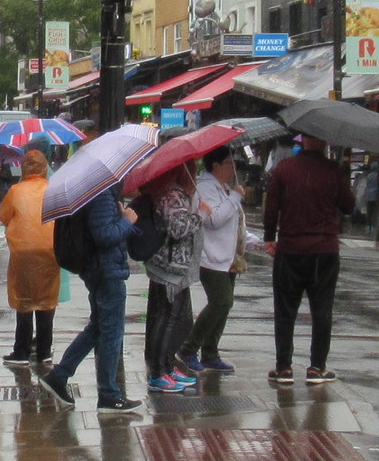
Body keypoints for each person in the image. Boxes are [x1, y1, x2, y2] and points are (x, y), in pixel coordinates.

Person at [262, 134, 354, 386]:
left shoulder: (284, 169)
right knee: (322, 311)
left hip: (290, 248)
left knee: (285, 311)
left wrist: (269, 237)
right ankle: (316, 368)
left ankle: (284, 368)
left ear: (303, 140)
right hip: (324, 250)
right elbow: (348, 206)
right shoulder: (333, 171)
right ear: (325, 141)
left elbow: (271, 207)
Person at [42, 182, 139, 411]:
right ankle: (108, 394)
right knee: (112, 332)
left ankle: (59, 376)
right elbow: (104, 235)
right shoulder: (101, 192)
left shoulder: (92, 190)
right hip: (106, 271)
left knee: (98, 328)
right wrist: (127, 220)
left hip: (97, 269)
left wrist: (120, 218)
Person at [141, 163, 205, 393]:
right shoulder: (173, 196)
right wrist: (201, 215)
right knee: (167, 319)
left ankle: (167, 367)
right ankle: (159, 372)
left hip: (174, 268)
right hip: (170, 269)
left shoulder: (174, 194)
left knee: (170, 318)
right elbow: (178, 230)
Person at [183, 146, 246, 374]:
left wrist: (252, 240)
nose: (233, 167)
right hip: (210, 256)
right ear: (216, 165)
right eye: (229, 163)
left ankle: (210, 352)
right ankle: (189, 348)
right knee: (221, 301)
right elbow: (214, 219)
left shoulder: (225, 188)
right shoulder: (206, 188)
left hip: (228, 257)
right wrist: (235, 197)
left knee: (225, 304)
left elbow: (234, 222)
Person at [0, 147, 59, 364]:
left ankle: (22, 350)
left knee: (23, 299)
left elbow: (4, 217)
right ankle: (44, 350)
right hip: (50, 249)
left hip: (22, 250)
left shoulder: (15, 191)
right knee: (46, 300)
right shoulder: (53, 190)